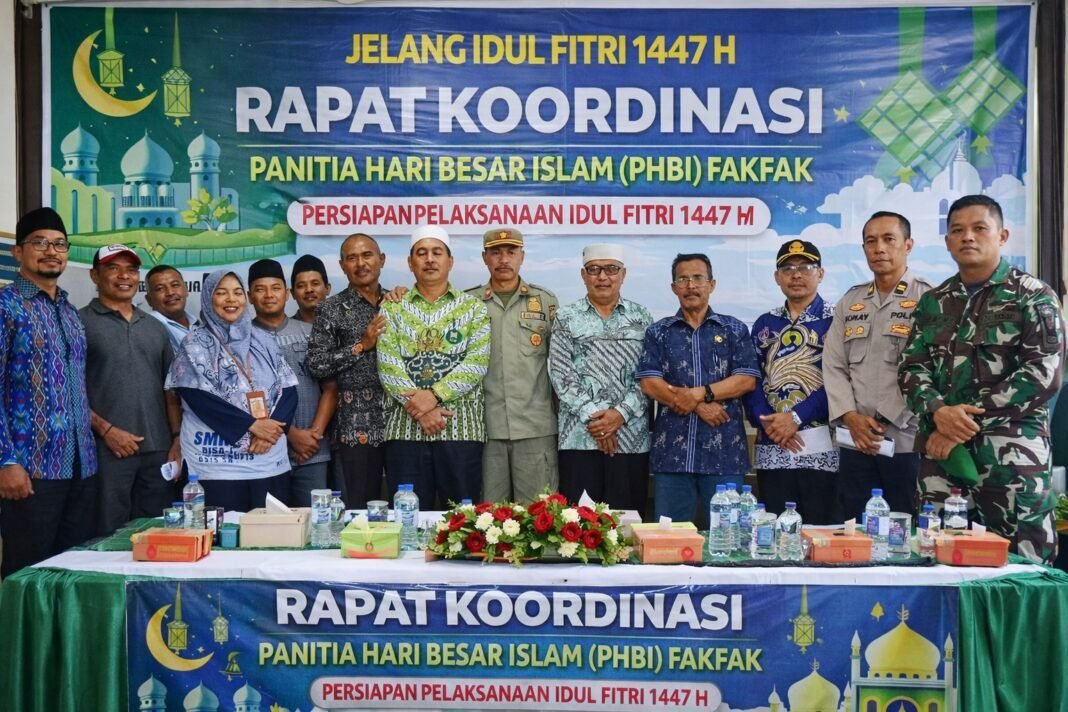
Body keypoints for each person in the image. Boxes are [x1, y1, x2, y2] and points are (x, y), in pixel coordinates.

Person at [899, 195, 1065, 564]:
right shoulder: (934, 301)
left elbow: (1042, 374)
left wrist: (959, 423)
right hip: (944, 458)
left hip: (1011, 458)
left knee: (1023, 565)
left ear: (1002, 236)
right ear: (947, 241)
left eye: (979, 228)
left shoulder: (1033, 297)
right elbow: (911, 368)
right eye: (958, 230)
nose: (968, 237)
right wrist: (938, 411)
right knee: (937, 557)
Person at [0, 208, 97, 577]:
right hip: (30, 469)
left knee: (71, 575)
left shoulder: (70, 312)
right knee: (28, 575)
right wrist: (5, 461)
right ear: (18, 252)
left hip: (81, 466)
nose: (51, 251)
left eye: (59, 244)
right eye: (39, 243)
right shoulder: (6, 306)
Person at [823, 211, 933, 520]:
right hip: (855, 438)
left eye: (889, 239)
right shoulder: (851, 301)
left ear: (908, 245)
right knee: (854, 526)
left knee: (903, 525)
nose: (879, 248)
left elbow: (932, 368)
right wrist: (851, 417)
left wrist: (883, 420)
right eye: (871, 242)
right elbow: (834, 365)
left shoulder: (929, 298)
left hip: (905, 438)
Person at [637, 253, 758, 523]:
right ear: (674, 287)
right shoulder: (658, 332)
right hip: (673, 456)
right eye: (683, 279)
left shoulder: (734, 329)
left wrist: (699, 394)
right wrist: (699, 406)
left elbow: (746, 379)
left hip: (725, 454)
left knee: (729, 537)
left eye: (698, 278)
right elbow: (650, 383)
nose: (690, 286)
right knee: (670, 539)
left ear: (711, 284)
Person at [165, 270, 298, 512]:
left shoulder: (263, 339)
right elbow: (199, 398)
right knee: (222, 531)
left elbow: (288, 387)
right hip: (216, 466)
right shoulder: (195, 343)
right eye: (221, 293)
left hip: (267, 460)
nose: (231, 299)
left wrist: (270, 432)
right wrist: (252, 426)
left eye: (237, 293)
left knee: (268, 529)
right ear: (208, 299)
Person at [377, 226, 490, 507]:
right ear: (410, 263)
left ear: (450, 261)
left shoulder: (473, 308)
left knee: (463, 520)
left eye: (437, 253)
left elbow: (476, 363)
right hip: (404, 431)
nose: (429, 259)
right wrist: (422, 409)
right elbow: (389, 365)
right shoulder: (392, 307)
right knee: (408, 519)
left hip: (461, 430)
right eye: (422, 253)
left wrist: (434, 395)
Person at [81, 245, 182, 535]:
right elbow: (69, 391)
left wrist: (176, 438)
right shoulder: (80, 322)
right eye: (114, 269)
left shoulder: (154, 326)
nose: (124, 276)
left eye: (131, 270)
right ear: (95, 276)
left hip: (158, 451)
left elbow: (170, 391)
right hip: (107, 451)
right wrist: (107, 431)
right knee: (107, 536)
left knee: (156, 535)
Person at [550, 243, 652, 514]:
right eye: (594, 270)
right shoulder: (566, 317)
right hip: (579, 438)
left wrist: (620, 414)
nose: (603, 277)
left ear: (623, 274)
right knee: (578, 526)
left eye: (611, 269)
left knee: (628, 523)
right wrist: (599, 422)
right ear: (583, 275)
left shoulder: (642, 317)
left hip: (630, 439)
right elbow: (561, 374)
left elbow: (649, 376)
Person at [743, 241, 838, 523]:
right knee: (773, 528)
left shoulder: (837, 319)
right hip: (773, 443)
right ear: (777, 277)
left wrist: (796, 417)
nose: (796, 274)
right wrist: (768, 422)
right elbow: (751, 378)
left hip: (820, 444)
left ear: (820, 274)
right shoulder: (765, 323)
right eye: (787, 268)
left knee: (819, 530)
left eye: (805, 267)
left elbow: (841, 378)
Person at [466, 228, 559, 502]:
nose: (503, 259)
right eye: (495, 253)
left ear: (522, 256)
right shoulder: (468, 303)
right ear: (485, 258)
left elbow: (560, 364)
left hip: (535, 427)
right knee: (487, 517)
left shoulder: (544, 301)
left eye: (511, 252)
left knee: (538, 515)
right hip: (484, 428)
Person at [307, 234, 390, 507]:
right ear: (342, 266)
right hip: (356, 426)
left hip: (402, 422)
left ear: (381, 260)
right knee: (361, 509)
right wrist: (360, 346)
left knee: (407, 501)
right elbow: (317, 364)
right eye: (352, 258)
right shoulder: (330, 309)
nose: (361, 263)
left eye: (367, 255)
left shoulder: (399, 303)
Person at [248, 259, 338, 507]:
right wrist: (291, 436)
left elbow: (331, 388)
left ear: (286, 293)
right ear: (249, 296)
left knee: (315, 521)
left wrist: (313, 437)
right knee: (268, 522)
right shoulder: (242, 338)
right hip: (264, 450)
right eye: (260, 289)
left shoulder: (311, 332)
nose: (269, 295)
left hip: (312, 451)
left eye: (275, 288)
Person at [144, 264, 195, 351]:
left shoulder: (197, 323)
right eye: (160, 288)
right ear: (149, 300)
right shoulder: (148, 328)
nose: (170, 292)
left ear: (186, 289)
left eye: (175, 285)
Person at [291, 254, 332, 324]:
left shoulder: (345, 325)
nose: (309, 290)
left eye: (315, 283)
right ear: (293, 293)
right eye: (301, 286)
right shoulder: (283, 329)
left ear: (327, 288)